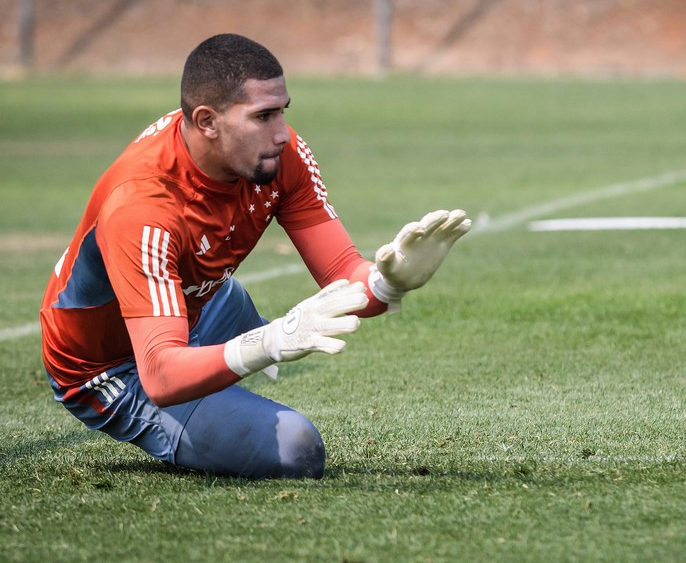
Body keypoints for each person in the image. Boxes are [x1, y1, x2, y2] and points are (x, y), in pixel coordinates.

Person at [40, 33, 471, 479]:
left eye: (282, 111)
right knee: (296, 449)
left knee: (226, 306)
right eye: (263, 116)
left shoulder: (275, 155)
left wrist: (388, 282)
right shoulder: (143, 207)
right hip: (113, 366)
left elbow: (343, 275)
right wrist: (265, 344)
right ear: (207, 121)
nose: (283, 133)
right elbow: (161, 375)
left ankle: (221, 357)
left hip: (203, 303)